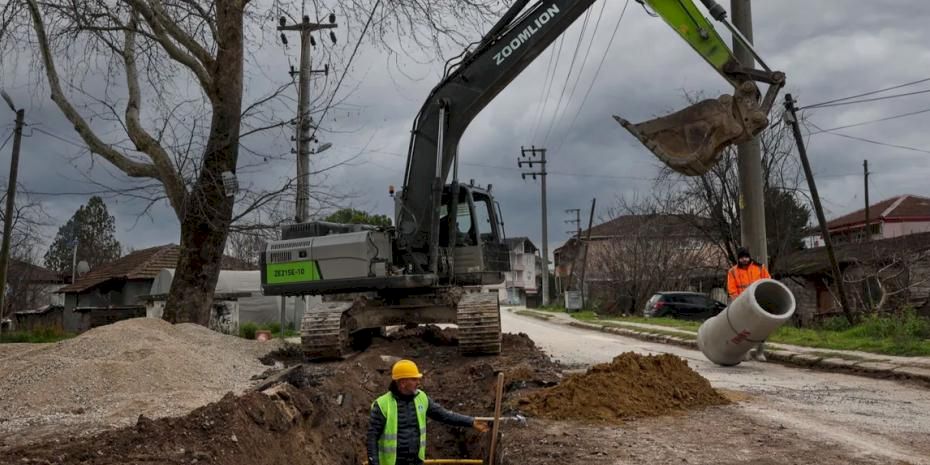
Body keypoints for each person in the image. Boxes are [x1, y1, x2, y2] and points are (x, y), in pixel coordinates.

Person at [367, 359, 489, 465]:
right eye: (414, 379)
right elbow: (372, 438)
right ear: (402, 382)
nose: (418, 382)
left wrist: (471, 422)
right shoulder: (382, 405)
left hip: (415, 461)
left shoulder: (422, 398)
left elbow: (444, 415)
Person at [727, 247, 771, 362]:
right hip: (743, 304)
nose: (744, 260)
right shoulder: (733, 271)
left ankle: (760, 352)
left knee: (761, 327)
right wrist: (738, 302)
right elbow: (732, 289)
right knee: (744, 330)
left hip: (759, 302)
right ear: (739, 259)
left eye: (746, 257)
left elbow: (767, 282)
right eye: (742, 258)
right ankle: (745, 352)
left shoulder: (760, 268)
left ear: (749, 257)